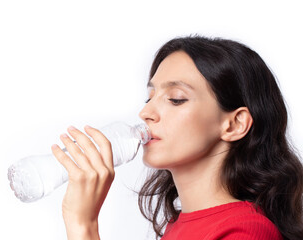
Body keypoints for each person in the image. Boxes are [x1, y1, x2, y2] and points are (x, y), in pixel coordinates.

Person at [51, 35, 303, 240]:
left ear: (234, 124)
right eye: (149, 98)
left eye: (176, 99)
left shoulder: (245, 231)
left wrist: (83, 225)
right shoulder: (176, 227)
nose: (146, 112)